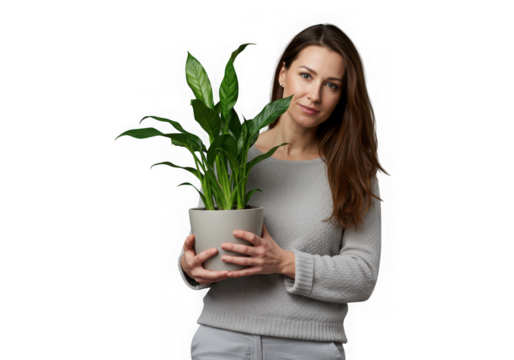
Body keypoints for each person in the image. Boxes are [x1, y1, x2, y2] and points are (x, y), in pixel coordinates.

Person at [179, 22, 391, 359]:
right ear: (282, 73)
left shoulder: (354, 169)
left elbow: (363, 276)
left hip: (310, 347)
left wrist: (283, 262)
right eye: (306, 75)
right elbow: (201, 247)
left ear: (342, 95)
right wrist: (190, 267)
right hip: (221, 341)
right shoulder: (230, 154)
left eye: (331, 85)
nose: (314, 95)